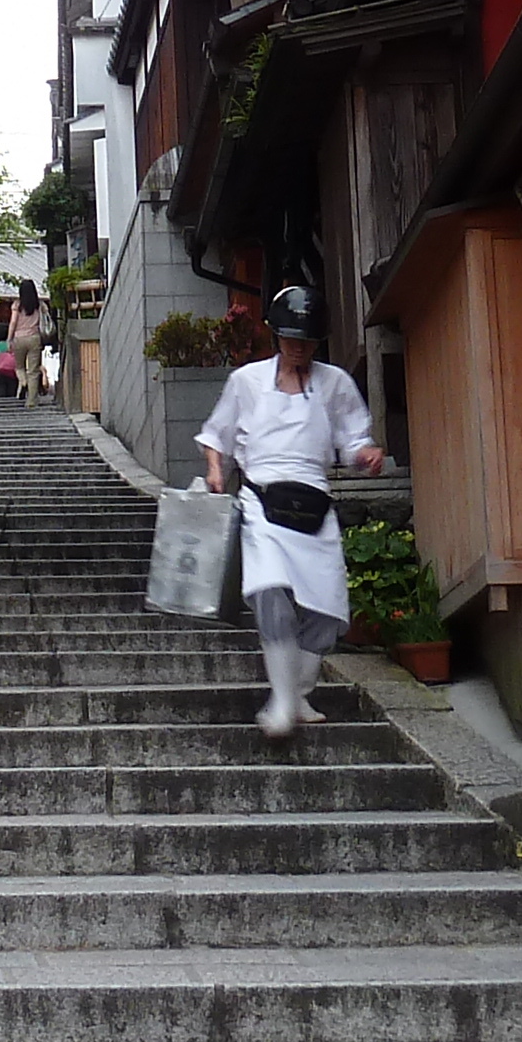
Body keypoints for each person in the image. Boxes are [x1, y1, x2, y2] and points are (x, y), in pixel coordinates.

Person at [196, 285, 386, 738]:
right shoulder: (246, 381)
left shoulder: (335, 382)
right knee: (271, 590)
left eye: (306, 341)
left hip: (315, 506)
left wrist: (366, 455)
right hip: (262, 500)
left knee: (326, 607)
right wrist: (215, 471)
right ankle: (280, 700)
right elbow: (215, 433)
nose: (298, 348)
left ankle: (299, 691)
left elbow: (354, 438)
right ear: (276, 336)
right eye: (290, 338)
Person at [8, 281, 46, 409]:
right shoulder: (39, 305)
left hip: (19, 338)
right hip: (34, 338)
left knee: (19, 367)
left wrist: (9, 338)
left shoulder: (17, 305)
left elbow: (13, 322)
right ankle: (31, 401)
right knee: (33, 371)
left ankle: (23, 381)